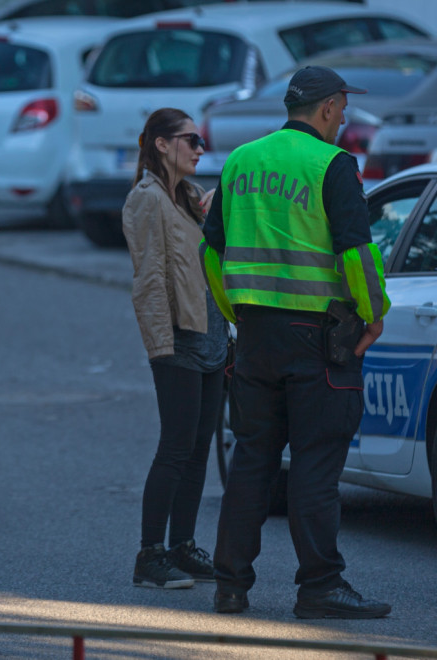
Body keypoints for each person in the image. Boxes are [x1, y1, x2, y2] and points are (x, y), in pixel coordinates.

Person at [202, 65, 391, 618]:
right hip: (318, 338)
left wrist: (234, 309)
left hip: (257, 335)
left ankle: (230, 585)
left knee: (253, 460)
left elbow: (210, 253)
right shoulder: (332, 165)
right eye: (343, 109)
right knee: (314, 463)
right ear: (329, 108)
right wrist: (372, 313)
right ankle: (320, 588)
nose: (344, 118)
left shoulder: (240, 161)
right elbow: (357, 253)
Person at [122, 108, 226, 589]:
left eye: (201, 140)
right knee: (175, 447)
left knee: (199, 448)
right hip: (179, 339)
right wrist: (161, 346)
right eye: (192, 140)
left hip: (211, 336)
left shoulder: (186, 198)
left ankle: (183, 546)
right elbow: (149, 279)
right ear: (162, 144)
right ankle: (150, 554)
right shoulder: (147, 199)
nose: (200, 148)